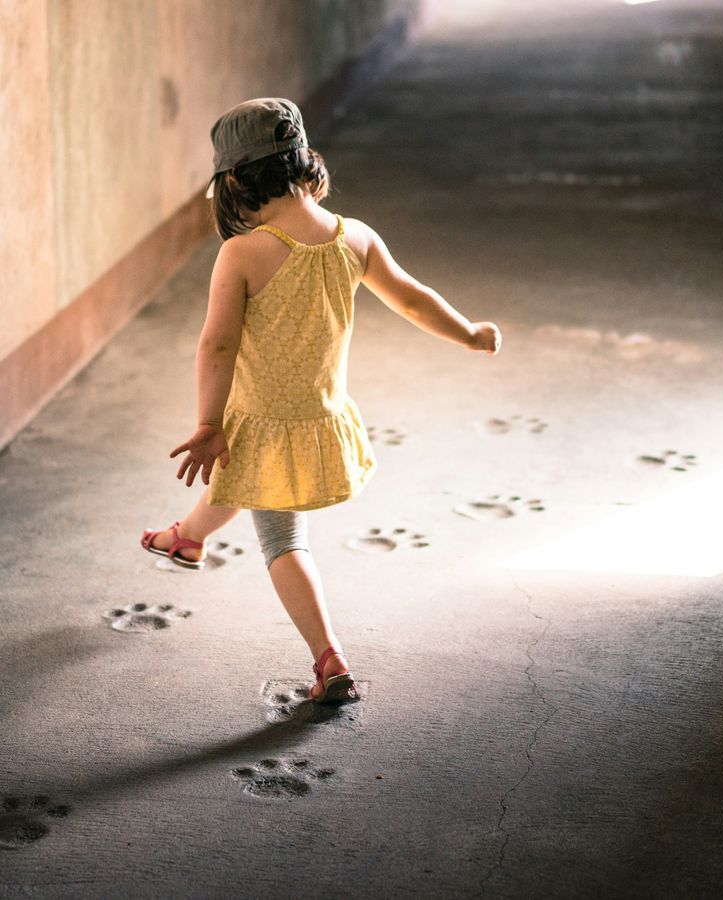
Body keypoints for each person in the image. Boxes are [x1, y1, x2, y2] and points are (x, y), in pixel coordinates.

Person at [140, 98, 501, 703]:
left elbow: (218, 344)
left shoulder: (244, 252)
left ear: (233, 182)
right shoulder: (354, 236)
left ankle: (329, 659)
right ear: (305, 160)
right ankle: (187, 537)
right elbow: (412, 298)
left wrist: (208, 422)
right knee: (244, 481)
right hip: (320, 419)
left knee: (281, 541)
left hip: (263, 423)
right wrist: (468, 333)